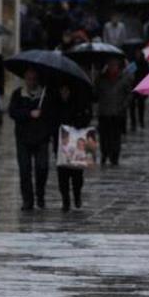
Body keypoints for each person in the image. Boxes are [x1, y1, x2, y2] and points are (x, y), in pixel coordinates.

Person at [7, 67, 54, 210]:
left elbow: (51, 114)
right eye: (28, 79)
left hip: (41, 137)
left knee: (42, 167)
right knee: (24, 169)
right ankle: (27, 200)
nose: (31, 82)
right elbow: (13, 112)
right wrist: (29, 113)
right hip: (23, 138)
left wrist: (43, 116)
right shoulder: (18, 94)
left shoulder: (45, 95)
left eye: (34, 79)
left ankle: (40, 195)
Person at [53, 83, 94, 211]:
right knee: (62, 172)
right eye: (62, 90)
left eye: (66, 90)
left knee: (77, 173)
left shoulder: (80, 100)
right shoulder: (54, 102)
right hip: (61, 142)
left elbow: (87, 116)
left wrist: (76, 123)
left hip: (77, 141)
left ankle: (77, 195)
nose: (64, 93)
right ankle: (65, 200)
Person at [95, 57, 133, 165]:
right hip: (104, 112)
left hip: (118, 113)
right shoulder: (101, 79)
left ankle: (114, 156)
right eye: (110, 65)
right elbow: (95, 93)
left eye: (115, 65)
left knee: (116, 136)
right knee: (104, 136)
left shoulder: (123, 78)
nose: (113, 67)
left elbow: (129, 94)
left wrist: (124, 105)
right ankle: (104, 153)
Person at [128, 51, 149, 132]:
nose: (137, 55)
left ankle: (141, 122)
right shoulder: (133, 63)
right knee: (132, 105)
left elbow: (148, 75)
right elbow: (129, 73)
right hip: (134, 87)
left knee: (141, 105)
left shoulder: (145, 64)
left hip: (142, 87)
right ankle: (133, 123)